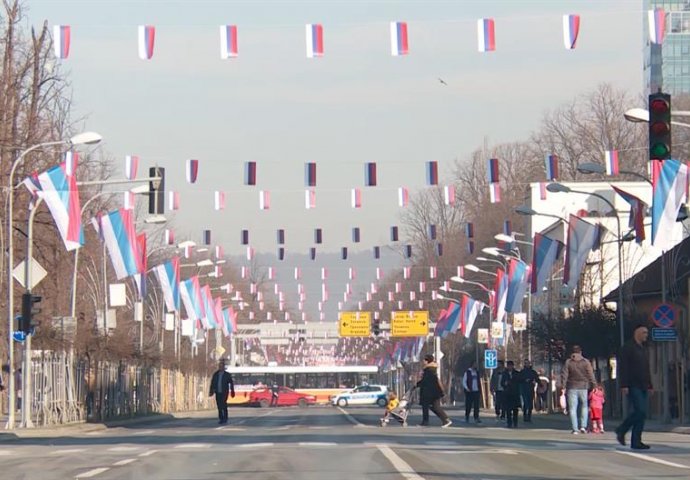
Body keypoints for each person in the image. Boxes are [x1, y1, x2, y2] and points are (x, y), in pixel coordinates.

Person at [616, 324, 652, 450]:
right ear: (637, 333)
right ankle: (621, 429)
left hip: (643, 384)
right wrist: (624, 384)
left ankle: (636, 441)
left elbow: (646, 368)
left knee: (641, 414)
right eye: (644, 333)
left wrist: (650, 384)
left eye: (647, 333)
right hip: (632, 384)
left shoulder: (643, 348)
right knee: (640, 411)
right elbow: (623, 367)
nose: (646, 335)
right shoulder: (628, 347)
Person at [561, 345, 596, 434]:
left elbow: (564, 375)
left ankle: (575, 429)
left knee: (572, 408)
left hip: (571, 387)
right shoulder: (585, 362)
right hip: (584, 387)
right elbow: (590, 374)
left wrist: (563, 386)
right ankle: (583, 427)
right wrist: (594, 385)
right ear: (580, 352)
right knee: (584, 406)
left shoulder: (568, 362)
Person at [416, 354, 452, 427]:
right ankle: (446, 420)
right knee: (435, 407)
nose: (423, 361)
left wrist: (418, 384)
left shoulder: (428, 370)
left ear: (427, 361)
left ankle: (425, 422)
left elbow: (425, 381)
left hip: (429, 392)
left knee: (425, 405)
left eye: (424, 360)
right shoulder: (431, 369)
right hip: (435, 392)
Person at [209, 359, 235, 424]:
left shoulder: (227, 375)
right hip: (217, 392)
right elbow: (213, 383)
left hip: (224, 392)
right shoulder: (216, 374)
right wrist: (211, 391)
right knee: (219, 405)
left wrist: (232, 391)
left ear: (223, 367)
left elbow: (231, 383)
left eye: (221, 366)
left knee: (223, 404)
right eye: (219, 366)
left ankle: (225, 418)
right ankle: (221, 418)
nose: (220, 367)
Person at [501, 361, 521, 428]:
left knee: (515, 409)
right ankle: (509, 422)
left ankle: (515, 422)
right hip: (507, 393)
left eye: (510, 366)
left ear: (513, 366)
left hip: (515, 393)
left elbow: (519, 382)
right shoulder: (504, 374)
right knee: (508, 409)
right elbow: (502, 383)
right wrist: (505, 384)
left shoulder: (517, 373)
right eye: (508, 366)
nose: (509, 367)